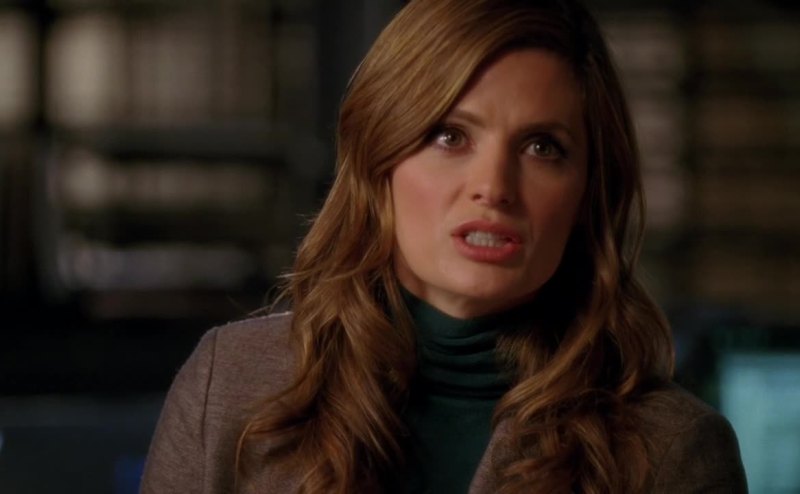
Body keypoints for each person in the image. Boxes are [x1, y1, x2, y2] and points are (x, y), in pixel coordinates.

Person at [140, 0, 748, 492]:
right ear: (381, 158)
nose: (493, 187)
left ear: (588, 194)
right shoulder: (228, 388)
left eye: (542, 147)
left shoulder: (671, 451)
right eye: (450, 136)